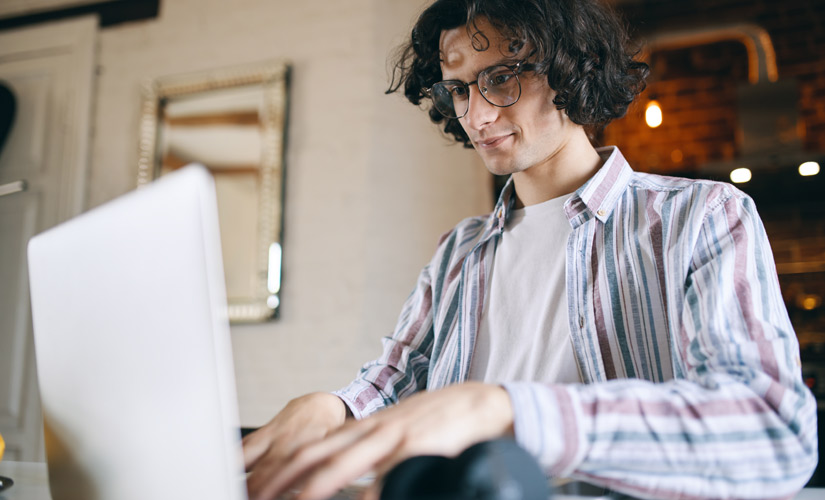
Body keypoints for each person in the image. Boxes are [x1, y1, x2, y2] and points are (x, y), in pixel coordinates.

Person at [242, 0, 819, 498]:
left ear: (571, 68)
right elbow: (398, 380)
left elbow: (772, 433)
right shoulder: (459, 252)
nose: (477, 115)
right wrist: (335, 409)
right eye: (460, 89)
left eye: (501, 78)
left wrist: (507, 410)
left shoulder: (700, 217)